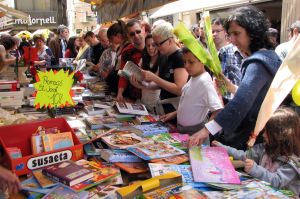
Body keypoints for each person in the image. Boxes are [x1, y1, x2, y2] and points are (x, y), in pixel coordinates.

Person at [189, 5, 282, 150]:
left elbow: (242, 102)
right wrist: (231, 87)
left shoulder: (257, 62)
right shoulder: (270, 56)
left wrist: (207, 130)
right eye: (230, 34)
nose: (231, 39)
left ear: (252, 33)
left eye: (237, 33)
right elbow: (255, 95)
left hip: (255, 137)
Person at [212, 107, 300, 196]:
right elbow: (244, 155)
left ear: (279, 135)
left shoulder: (293, 163)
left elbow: (276, 181)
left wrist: (255, 169)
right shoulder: (265, 148)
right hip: (263, 193)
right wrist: (223, 148)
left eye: (267, 132)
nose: (263, 135)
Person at [160, 47, 223, 136]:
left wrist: (205, 132)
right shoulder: (194, 76)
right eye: (184, 62)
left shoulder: (204, 82)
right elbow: (192, 103)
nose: (186, 66)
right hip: (183, 130)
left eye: (191, 62)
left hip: (195, 133)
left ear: (202, 61)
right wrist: (175, 113)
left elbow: (218, 111)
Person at [142, 21, 188, 115]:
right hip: (165, 108)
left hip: (176, 110)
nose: (157, 48)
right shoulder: (164, 56)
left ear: (170, 41)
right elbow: (162, 84)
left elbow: (180, 89)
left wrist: (154, 78)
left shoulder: (179, 57)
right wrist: (142, 84)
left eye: (158, 44)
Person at [130, 34, 166, 113]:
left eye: (153, 45)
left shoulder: (163, 61)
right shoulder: (144, 60)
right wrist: (134, 80)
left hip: (156, 104)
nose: (150, 48)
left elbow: (157, 84)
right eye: (148, 45)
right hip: (144, 102)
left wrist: (140, 85)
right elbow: (139, 77)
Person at [117, 19, 146, 102]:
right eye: (132, 34)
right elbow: (123, 74)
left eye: (138, 31)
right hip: (134, 97)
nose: (136, 36)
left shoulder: (153, 46)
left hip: (153, 96)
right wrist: (120, 93)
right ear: (128, 36)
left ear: (143, 30)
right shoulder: (126, 52)